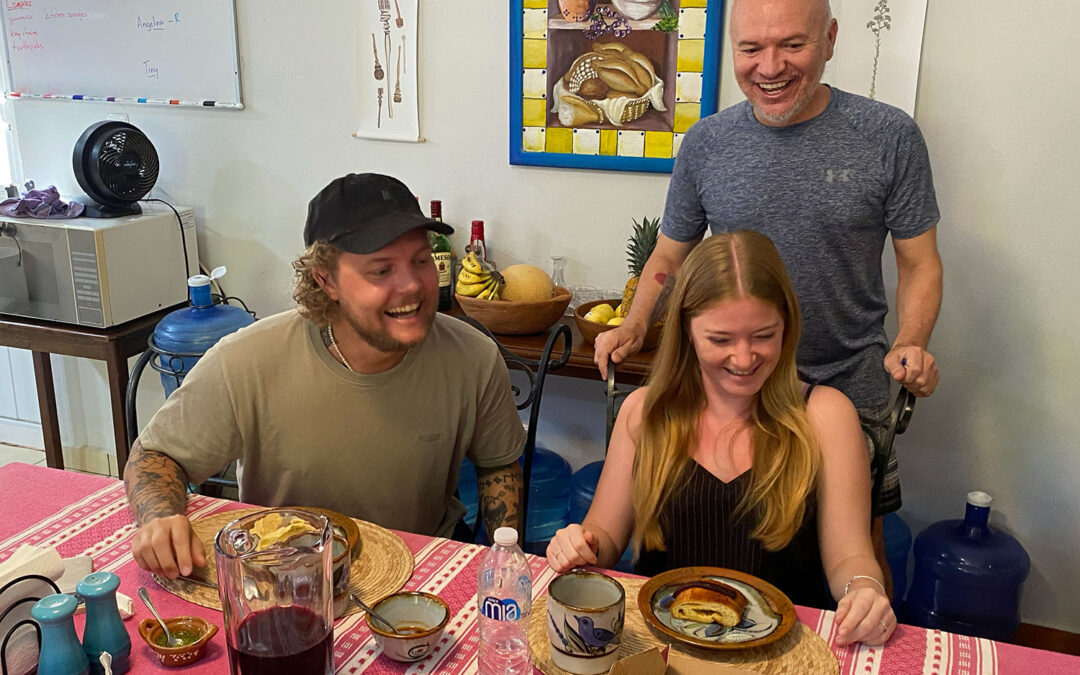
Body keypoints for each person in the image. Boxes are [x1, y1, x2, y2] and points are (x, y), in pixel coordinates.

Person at [594, 0, 942, 552]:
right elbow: (667, 257)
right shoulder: (706, 143)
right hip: (730, 386)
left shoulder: (888, 137)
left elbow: (919, 262)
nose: (770, 66)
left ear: (829, 39)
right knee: (719, 535)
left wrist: (910, 342)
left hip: (846, 384)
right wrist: (636, 325)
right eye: (751, 48)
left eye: (792, 45)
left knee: (859, 552)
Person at [125, 173, 526, 579]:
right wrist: (159, 517)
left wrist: (508, 565)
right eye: (381, 270)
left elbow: (498, 465)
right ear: (325, 279)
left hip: (419, 575)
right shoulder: (247, 360)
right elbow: (155, 456)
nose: (411, 286)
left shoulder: (472, 356)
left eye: (420, 261)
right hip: (279, 579)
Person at [550, 231, 895, 646]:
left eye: (764, 335)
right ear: (686, 331)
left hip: (783, 656)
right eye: (720, 340)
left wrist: (864, 589)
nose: (744, 358)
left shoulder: (825, 415)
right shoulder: (645, 413)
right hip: (662, 649)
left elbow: (850, 557)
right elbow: (602, 538)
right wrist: (578, 544)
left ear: (788, 325)